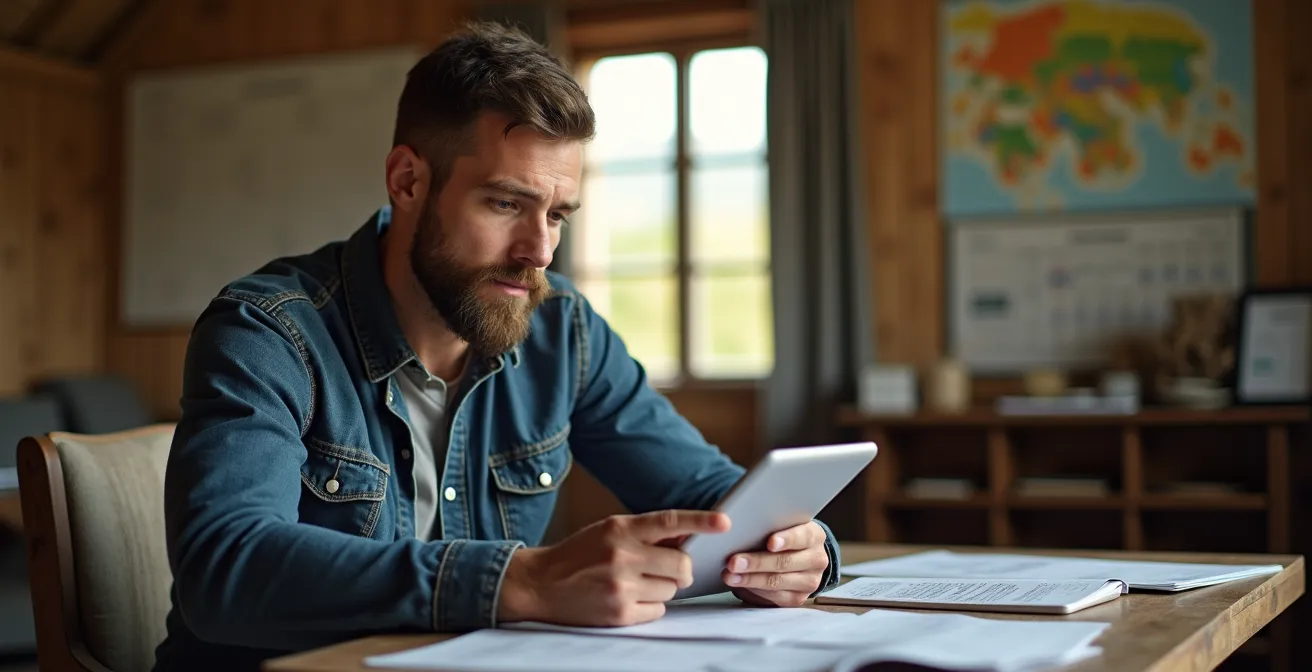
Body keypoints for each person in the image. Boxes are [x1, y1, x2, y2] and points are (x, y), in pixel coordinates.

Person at [153, 21, 840, 671]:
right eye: (506, 204)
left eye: (558, 215)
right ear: (408, 181)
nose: (537, 251)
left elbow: (713, 496)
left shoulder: (563, 332)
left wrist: (798, 549)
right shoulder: (269, 330)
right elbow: (225, 568)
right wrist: (518, 578)